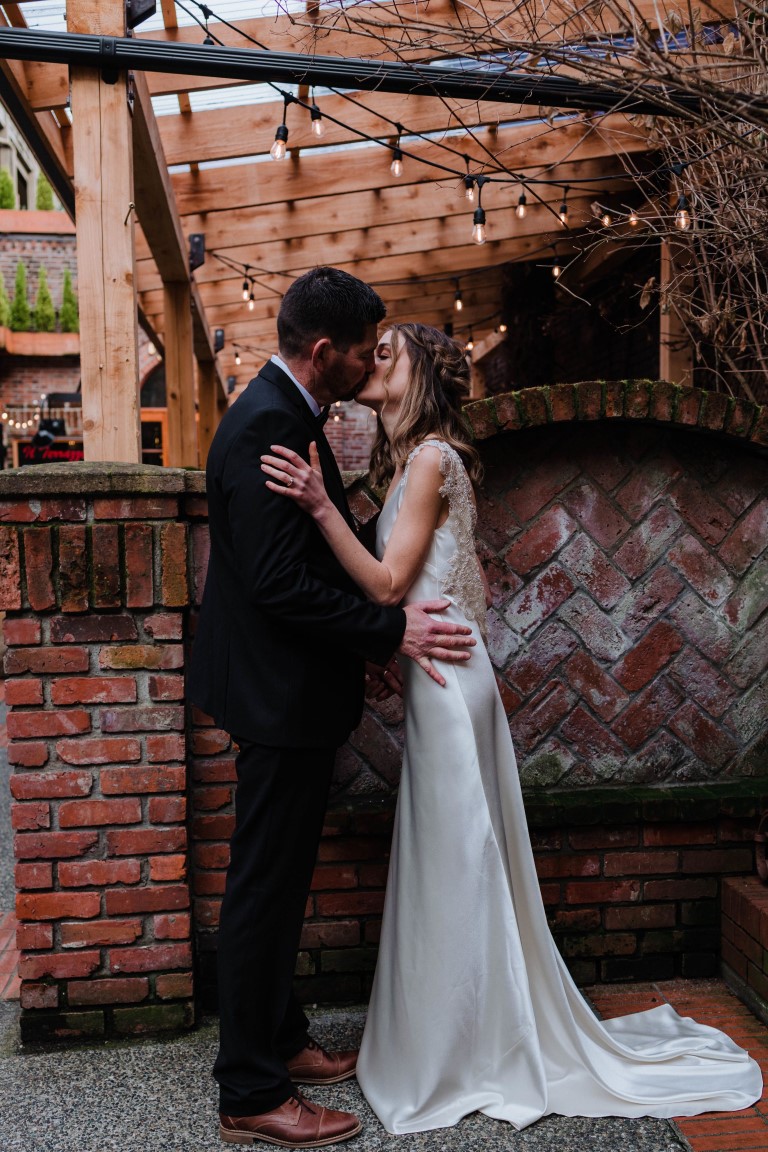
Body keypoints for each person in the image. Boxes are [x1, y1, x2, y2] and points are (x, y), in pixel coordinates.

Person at [261, 321, 762, 1135]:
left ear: (418, 373)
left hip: (451, 693)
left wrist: (318, 505)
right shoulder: (412, 465)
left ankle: (474, 1051)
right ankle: (455, 1038)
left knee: (463, 861)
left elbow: (388, 587)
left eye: (387, 350)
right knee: (449, 859)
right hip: (444, 683)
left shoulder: (430, 461)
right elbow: (447, 580)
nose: (371, 358)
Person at [188, 271, 477, 1148]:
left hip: (288, 692)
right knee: (264, 891)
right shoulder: (270, 424)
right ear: (325, 352)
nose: (366, 360)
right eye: (362, 347)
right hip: (279, 698)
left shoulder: (284, 415)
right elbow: (280, 584)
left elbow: (304, 567)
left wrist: (370, 640)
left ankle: (280, 1038)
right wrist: (386, 636)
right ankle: (251, 1091)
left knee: (277, 883)